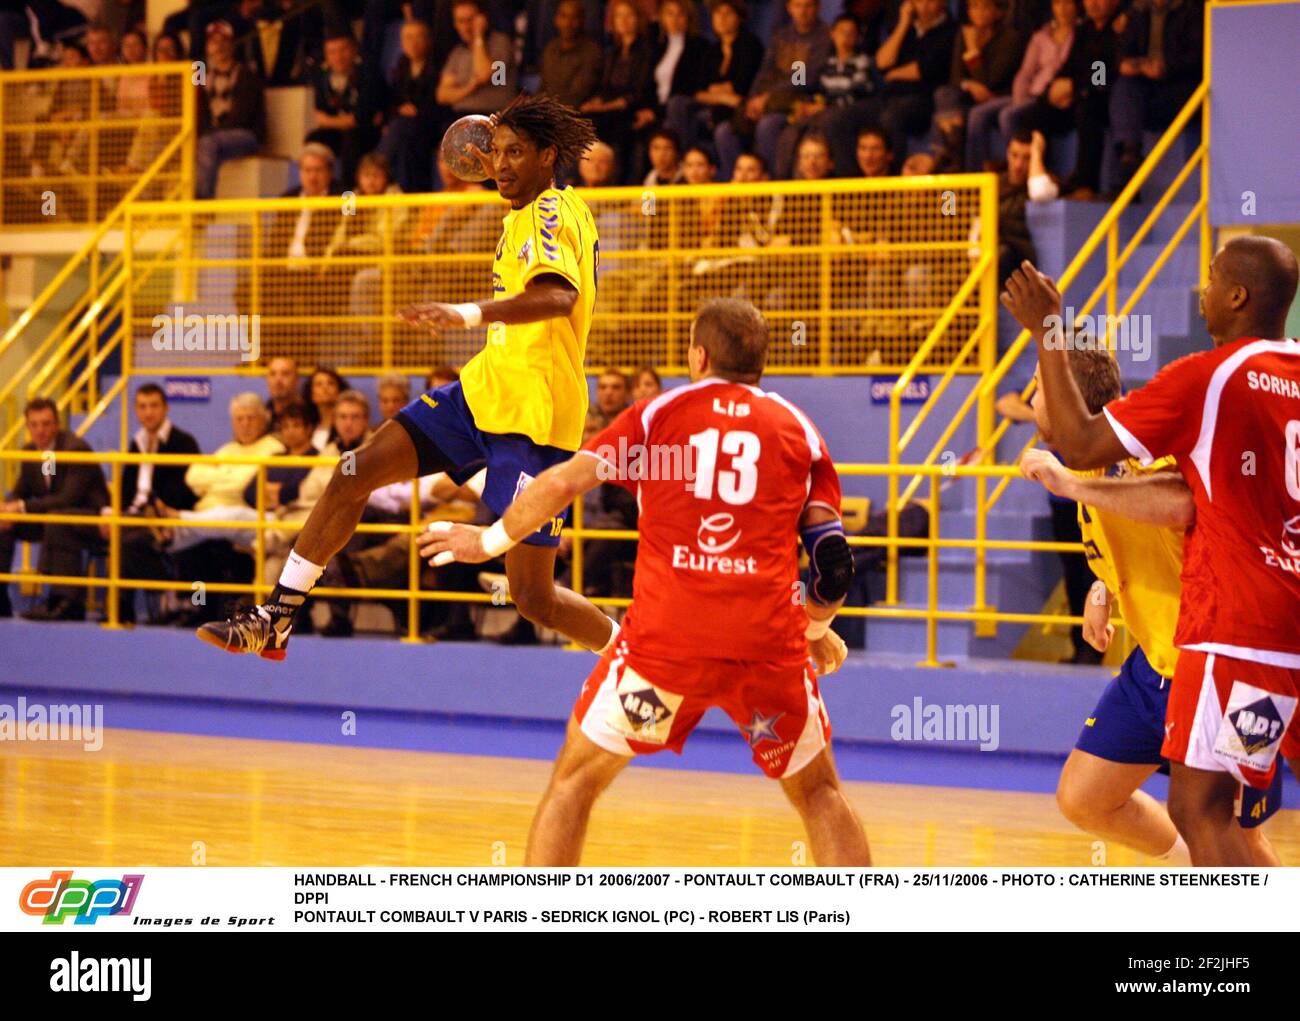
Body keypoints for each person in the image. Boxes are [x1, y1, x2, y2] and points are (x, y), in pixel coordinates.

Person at [419, 298, 864, 865]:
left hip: (664, 652)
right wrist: (812, 627)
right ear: (760, 361)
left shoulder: (659, 416)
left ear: (698, 356)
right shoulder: (798, 430)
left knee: (575, 785)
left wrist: (483, 543)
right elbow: (834, 563)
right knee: (821, 796)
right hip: (766, 651)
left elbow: (558, 486)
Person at [196, 94, 619, 663]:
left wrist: (465, 314)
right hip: (483, 391)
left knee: (532, 598)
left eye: (518, 152)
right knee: (354, 471)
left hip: (537, 414)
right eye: (496, 153)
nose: (504, 164)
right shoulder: (523, 213)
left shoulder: (550, 211)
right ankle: (277, 614)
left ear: (548, 155)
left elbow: (558, 296)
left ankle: (638, 657)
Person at [999, 237, 1300, 865]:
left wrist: (1049, 329)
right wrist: (1105, 586)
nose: (1202, 290)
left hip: (1229, 641)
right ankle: (1181, 875)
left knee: (1215, 821)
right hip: (1188, 656)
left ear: (1239, 296)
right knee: (1097, 798)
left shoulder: (1206, 384)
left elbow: (1145, 483)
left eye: (1213, 278)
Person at [0, 399, 109, 621]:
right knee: (3, 524)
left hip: (89, 519)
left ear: (57, 424)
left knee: (58, 519)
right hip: (51, 518)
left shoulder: (76, 448)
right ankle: (1, 598)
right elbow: (21, 490)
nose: (40, 430)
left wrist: (19, 507)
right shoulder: (29, 452)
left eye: (46, 424)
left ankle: (66, 602)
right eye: (35, 424)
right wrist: (7, 507)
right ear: (27, 426)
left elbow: (67, 498)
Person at [110, 384, 201, 625]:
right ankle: (127, 605)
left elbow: (186, 491)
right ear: (135, 410)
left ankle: (129, 605)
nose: (148, 412)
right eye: (142, 407)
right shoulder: (136, 443)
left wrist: (159, 513)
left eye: (154, 406)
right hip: (133, 516)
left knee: (126, 538)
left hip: (164, 518)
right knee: (112, 528)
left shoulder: (183, 443)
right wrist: (112, 512)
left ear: (166, 408)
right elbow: (127, 490)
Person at [195, 20, 266, 199]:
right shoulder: (201, 70)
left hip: (245, 135)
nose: (219, 47)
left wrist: (208, 133)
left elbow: (241, 118)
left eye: (224, 42)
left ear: (232, 45)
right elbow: (195, 107)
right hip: (212, 136)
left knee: (208, 144)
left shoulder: (245, 73)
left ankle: (201, 202)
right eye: (213, 42)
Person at [539, 0, 604, 110]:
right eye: (563, 16)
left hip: (575, 117)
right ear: (556, 20)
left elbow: (578, 95)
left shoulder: (592, 52)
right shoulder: (550, 48)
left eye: (574, 17)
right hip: (547, 114)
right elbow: (543, 87)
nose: (568, 23)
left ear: (582, 21)